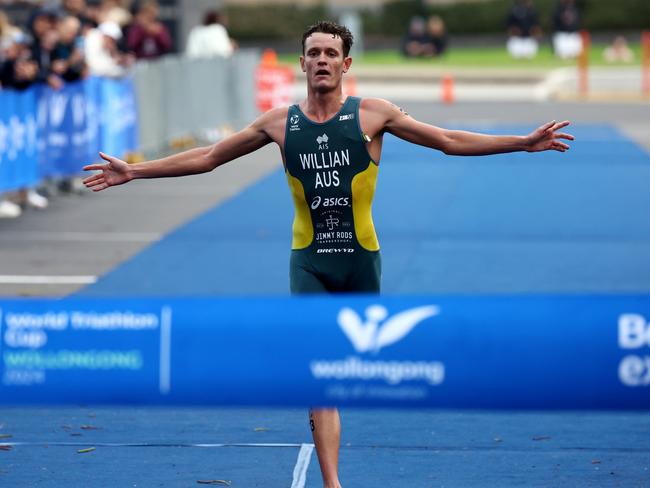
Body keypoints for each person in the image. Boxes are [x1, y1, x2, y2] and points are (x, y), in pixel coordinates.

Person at [83, 20, 574, 488]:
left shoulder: (373, 115)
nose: (322, 60)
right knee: (321, 372)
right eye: (314, 53)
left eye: (331, 54)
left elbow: (446, 140)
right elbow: (209, 158)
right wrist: (137, 171)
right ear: (301, 63)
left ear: (346, 64)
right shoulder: (279, 124)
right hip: (310, 263)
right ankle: (332, 481)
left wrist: (521, 143)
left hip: (361, 263)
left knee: (354, 369)